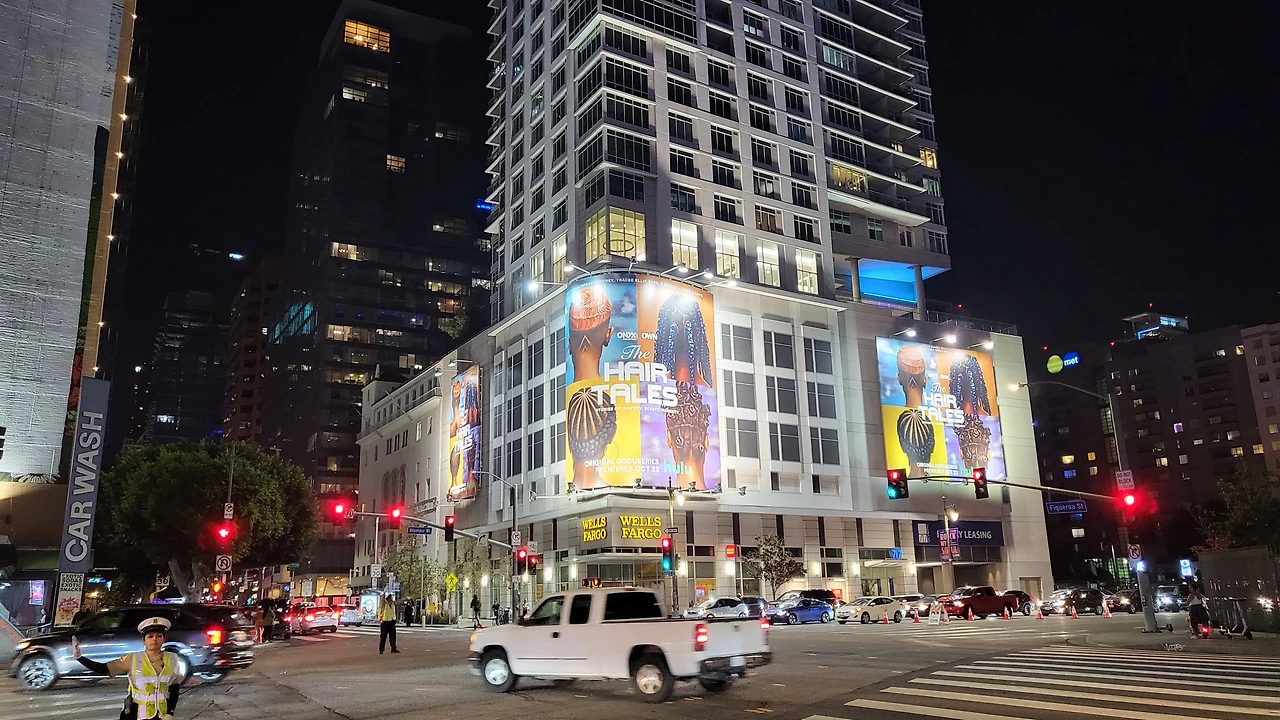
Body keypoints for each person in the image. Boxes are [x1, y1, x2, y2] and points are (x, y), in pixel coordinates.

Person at [72, 616, 181, 720]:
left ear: (164, 639)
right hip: (138, 713)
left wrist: (170, 712)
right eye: (150, 636)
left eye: (159, 636)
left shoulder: (172, 659)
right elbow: (103, 669)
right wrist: (80, 658)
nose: (154, 639)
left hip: (162, 714)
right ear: (144, 640)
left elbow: (174, 688)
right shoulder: (132, 659)